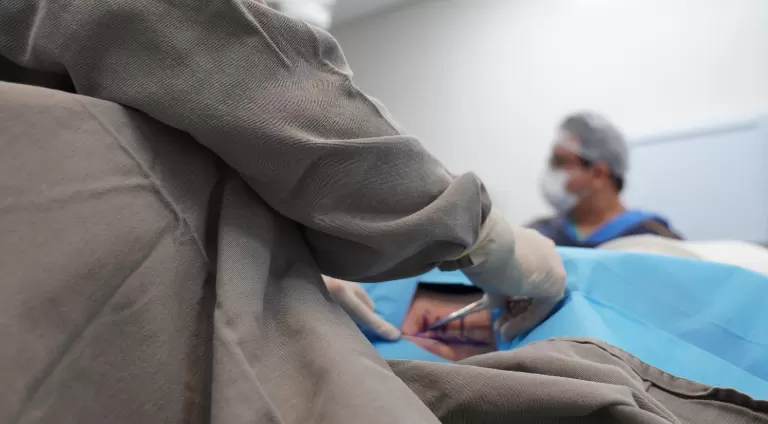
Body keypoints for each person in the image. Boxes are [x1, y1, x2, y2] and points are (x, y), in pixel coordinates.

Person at [1, 2, 764, 424]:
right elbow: (215, 52)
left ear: (602, 169)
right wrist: (484, 237)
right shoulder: (530, 241)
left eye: (568, 161)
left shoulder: (648, 242)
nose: (555, 174)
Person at [530, 112, 682, 247]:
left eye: (560, 162)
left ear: (598, 173)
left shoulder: (654, 240)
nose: (551, 171)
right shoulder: (538, 235)